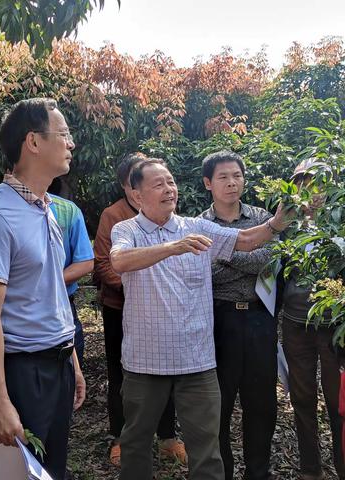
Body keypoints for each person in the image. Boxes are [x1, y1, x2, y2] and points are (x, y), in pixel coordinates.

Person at [110, 159, 291, 480]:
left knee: (206, 448)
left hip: (197, 361)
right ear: (137, 196)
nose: (169, 189)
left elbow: (247, 240)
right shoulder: (127, 230)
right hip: (145, 361)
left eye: (171, 182)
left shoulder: (195, 226)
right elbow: (120, 261)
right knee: (136, 442)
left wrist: (276, 224)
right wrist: (172, 247)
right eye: (158, 184)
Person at [0, 98, 86, 480]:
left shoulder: (47, 207)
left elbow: (49, 292)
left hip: (57, 365)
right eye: (64, 134)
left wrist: (71, 359)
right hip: (23, 373)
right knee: (16, 475)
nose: (71, 144)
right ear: (33, 142)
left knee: (50, 470)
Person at [93, 153, 185, 466]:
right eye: (142, 178)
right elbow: (105, 264)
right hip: (120, 307)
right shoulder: (114, 216)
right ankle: (120, 437)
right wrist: (137, 284)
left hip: (163, 309)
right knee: (121, 373)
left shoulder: (166, 212)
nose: (156, 185)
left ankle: (168, 436)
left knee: (167, 368)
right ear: (128, 187)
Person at [199, 150, 277, 480]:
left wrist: (226, 256)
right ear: (208, 183)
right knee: (219, 403)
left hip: (260, 318)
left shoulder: (262, 217)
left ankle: (257, 472)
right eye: (223, 177)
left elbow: (269, 262)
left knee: (261, 402)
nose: (232, 183)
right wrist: (246, 255)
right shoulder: (199, 224)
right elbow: (205, 274)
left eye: (237, 176)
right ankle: (223, 472)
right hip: (220, 320)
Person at [280, 158, 345, 480]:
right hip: (295, 323)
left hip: (334, 327)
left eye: (318, 183)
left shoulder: (339, 221)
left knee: (339, 402)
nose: (311, 191)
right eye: (304, 184)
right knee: (302, 397)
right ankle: (310, 469)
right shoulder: (285, 225)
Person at [48, 177, 94, 367]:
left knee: (70, 372)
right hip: (19, 310)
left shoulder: (66, 210)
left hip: (64, 304)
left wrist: (45, 283)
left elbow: (85, 262)